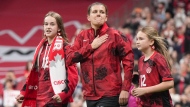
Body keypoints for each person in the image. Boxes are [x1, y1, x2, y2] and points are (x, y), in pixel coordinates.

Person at [66, 2, 134, 107]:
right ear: (88, 17)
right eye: (95, 12)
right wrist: (90, 47)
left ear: (106, 17)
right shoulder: (81, 36)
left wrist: (125, 88)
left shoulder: (116, 36)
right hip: (89, 95)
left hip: (110, 94)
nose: (98, 14)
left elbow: (129, 62)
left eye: (102, 12)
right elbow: (69, 58)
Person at [15, 11, 78, 107]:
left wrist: (63, 94)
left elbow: (73, 75)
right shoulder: (40, 48)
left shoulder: (66, 48)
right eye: (46, 24)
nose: (48, 27)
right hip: (39, 98)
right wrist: (24, 92)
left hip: (55, 98)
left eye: (52, 24)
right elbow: (34, 74)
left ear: (59, 28)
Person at [132, 26, 174, 106]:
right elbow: (145, 84)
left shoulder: (158, 58)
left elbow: (169, 83)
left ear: (151, 42)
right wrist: (137, 89)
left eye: (141, 39)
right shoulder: (141, 60)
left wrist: (145, 90)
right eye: (137, 39)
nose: (137, 41)